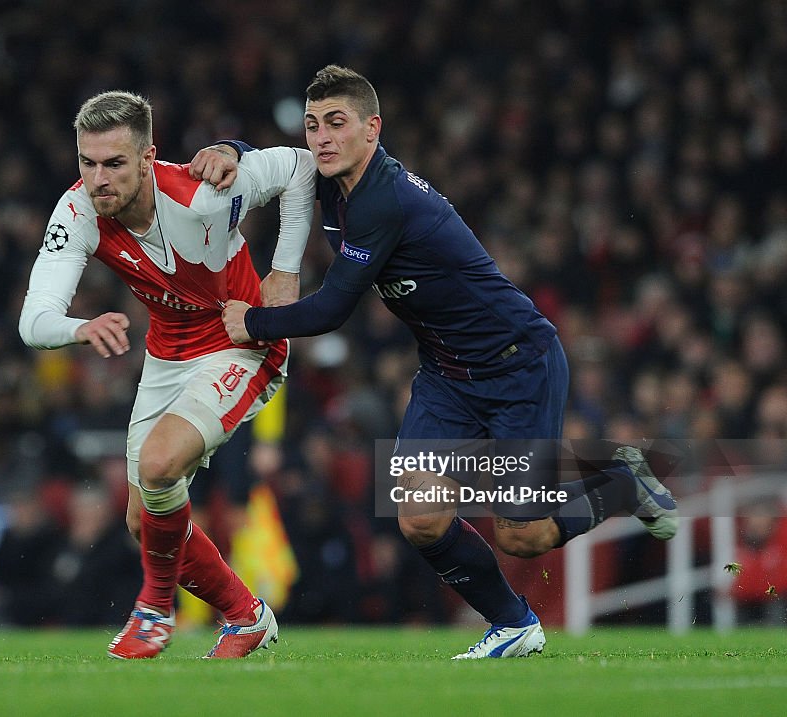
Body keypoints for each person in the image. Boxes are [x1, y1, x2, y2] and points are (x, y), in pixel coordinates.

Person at [210, 65, 679, 658]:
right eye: (312, 125)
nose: (321, 137)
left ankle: (621, 483)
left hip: (518, 367)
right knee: (420, 517)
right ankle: (513, 625)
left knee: (523, 535)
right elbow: (267, 161)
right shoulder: (324, 176)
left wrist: (250, 321)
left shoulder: (384, 199)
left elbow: (331, 309)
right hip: (446, 376)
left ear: (372, 129)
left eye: (336, 123)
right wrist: (232, 148)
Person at [18, 90, 315, 658]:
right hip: (166, 356)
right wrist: (78, 328)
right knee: (142, 516)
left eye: (114, 163)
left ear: (149, 157)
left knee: (157, 466)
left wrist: (284, 273)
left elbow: (299, 167)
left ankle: (155, 609)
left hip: (242, 344)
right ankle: (245, 616)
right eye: (87, 162)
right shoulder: (78, 209)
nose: (97, 178)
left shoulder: (206, 193)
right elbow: (34, 319)